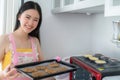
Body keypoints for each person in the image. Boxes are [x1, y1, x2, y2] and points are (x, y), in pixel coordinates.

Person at [0, 1, 55, 80]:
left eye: (35, 20)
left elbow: (43, 69)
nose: (30, 23)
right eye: (27, 17)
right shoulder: (4, 39)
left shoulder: (35, 41)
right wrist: (3, 76)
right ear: (19, 16)